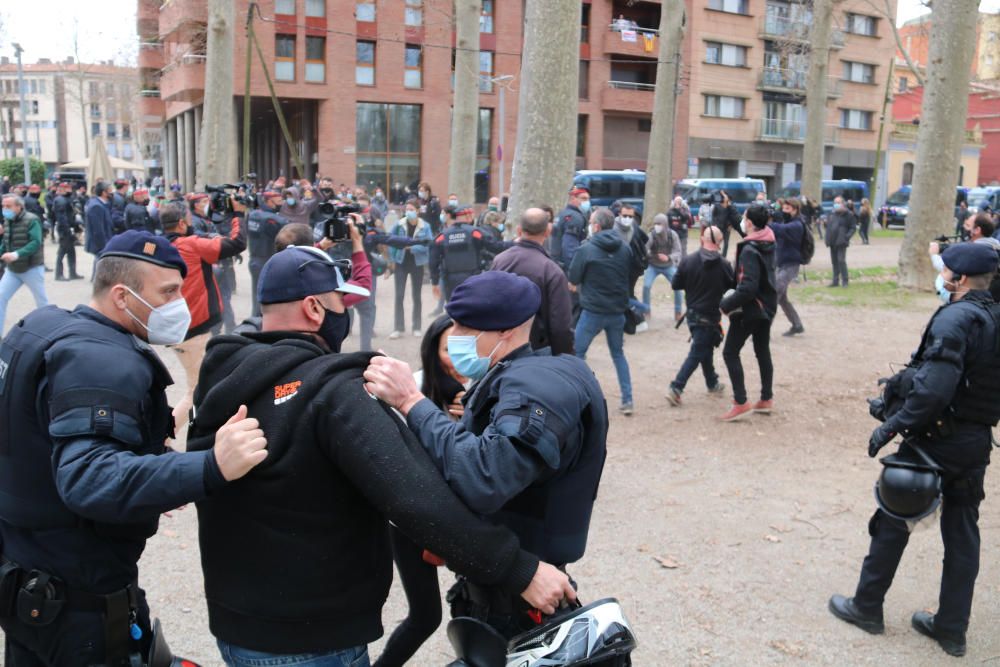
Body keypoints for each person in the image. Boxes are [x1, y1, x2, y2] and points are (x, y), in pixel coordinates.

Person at [187, 249, 573, 665]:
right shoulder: (335, 392)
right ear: (314, 309)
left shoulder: (225, 371)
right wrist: (520, 569)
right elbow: (414, 495)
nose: (348, 313)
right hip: (310, 638)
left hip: (237, 624)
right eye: (342, 303)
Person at [0, 230, 266, 666]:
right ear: (122, 296)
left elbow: (41, 437)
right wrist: (211, 466)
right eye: (168, 292)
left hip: (27, 583)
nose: (179, 303)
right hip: (78, 600)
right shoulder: (101, 360)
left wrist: (156, 466)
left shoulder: (40, 327)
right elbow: (90, 478)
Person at [363, 270, 606, 639]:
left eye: (464, 328)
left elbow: (484, 477)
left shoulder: (537, 385)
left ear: (504, 332)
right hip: (497, 590)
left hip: (520, 602)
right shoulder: (516, 374)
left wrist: (411, 400)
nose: (454, 335)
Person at [829, 243, 1000, 658]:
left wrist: (890, 426)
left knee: (893, 518)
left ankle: (867, 606)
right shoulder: (993, 313)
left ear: (958, 279)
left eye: (946, 271)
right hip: (973, 440)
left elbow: (934, 390)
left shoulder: (958, 317)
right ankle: (951, 629)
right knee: (962, 533)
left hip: (937, 439)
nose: (942, 276)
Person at [376, 314, 468, 667]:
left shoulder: (486, 385)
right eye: (449, 349)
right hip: (413, 521)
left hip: (468, 519)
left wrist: (472, 420)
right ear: (432, 349)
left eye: (467, 348)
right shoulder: (409, 388)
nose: (459, 359)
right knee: (426, 616)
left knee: (479, 607)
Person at [161, 200, 247, 428]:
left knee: (202, 383)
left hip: (178, 326)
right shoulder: (189, 244)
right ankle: (164, 435)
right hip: (192, 329)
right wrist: (238, 213)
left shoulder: (161, 245)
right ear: (181, 224)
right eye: (188, 219)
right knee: (195, 390)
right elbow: (236, 243)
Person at [569, 207, 634, 415]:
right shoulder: (625, 248)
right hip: (617, 311)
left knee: (577, 353)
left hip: (592, 311)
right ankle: (628, 399)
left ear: (595, 226)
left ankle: (578, 397)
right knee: (618, 354)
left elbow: (572, 280)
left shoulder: (586, 249)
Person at [719, 204, 777, 421]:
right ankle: (766, 398)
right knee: (762, 350)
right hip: (769, 305)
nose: (742, 220)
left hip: (752, 308)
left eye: (744, 217)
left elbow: (748, 287)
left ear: (750, 222)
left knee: (730, 352)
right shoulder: (768, 240)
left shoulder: (750, 249)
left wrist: (726, 304)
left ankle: (741, 402)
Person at [491, 207, 575, 355]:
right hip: (536, 352)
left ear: (518, 231)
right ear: (548, 232)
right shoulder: (552, 271)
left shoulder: (499, 261)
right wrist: (565, 359)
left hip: (501, 348)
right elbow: (560, 326)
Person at [667, 226, 732, 406]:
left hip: (694, 316)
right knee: (698, 352)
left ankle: (712, 382)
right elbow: (732, 287)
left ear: (702, 239)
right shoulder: (725, 266)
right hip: (709, 316)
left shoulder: (688, 261)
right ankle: (676, 387)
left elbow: (675, 284)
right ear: (720, 243)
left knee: (705, 347)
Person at [0, 194, 48, 337]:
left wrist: (16, 254)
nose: (4, 209)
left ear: (19, 206)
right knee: (1, 297)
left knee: (42, 303)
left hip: (31, 268)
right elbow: (6, 242)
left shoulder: (32, 220)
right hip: (13, 270)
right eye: (3, 206)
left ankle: (49, 333)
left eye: (8, 206)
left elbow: (35, 242)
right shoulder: (8, 220)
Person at [430, 204, 496, 303]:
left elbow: (433, 261)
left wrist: (435, 282)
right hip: (473, 278)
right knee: (473, 308)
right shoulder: (475, 232)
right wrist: (515, 244)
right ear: (468, 216)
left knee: (454, 309)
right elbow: (495, 246)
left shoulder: (443, 236)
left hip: (450, 281)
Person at [389, 198, 433, 339]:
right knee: (399, 295)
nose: (409, 212)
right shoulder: (399, 224)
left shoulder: (425, 226)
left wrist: (412, 247)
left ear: (418, 211)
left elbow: (428, 244)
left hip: (417, 263)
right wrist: (392, 258)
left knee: (416, 296)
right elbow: (390, 240)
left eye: (411, 210)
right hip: (401, 262)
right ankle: (398, 328)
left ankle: (417, 327)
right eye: (407, 209)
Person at [246, 190, 289, 317]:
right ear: (270, 202)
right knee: (268, 298)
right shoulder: (273, 219)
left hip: (254, 260)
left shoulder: (253, 214)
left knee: (257, 296)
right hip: (267, 261)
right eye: (279, 200)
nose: (282, 202)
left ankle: (256, 321)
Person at [769, 197, 807, 337]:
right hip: (781, 264)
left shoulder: (797, 225)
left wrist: (769, 221)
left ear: (795, 210)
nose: (784, 211)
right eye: (783, 208)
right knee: (782, 299)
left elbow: (780, 229)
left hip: (791, 265)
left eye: (787, 209)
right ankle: (797, 325)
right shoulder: (787, 222)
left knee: (773, 295)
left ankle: (764, 331)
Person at [643, 213, 683, 322]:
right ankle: (646, 311)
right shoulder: (651, 235)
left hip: (668, 266)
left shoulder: (673, 235)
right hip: (653, 265)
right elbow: (644, 249)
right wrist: (652, 255)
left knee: (678, 287)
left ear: (665, 224)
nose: (657, 226)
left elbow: (678, 251)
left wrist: (668, 257)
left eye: (659, 224)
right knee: (646, 286)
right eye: (655, 223)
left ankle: (678, 312)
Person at [551, 187, 591, 270]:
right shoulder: (574, 218)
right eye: (583, 198)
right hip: (565, 267)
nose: (587, 202)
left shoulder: (563, 213)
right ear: (573, 198)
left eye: (588, 199)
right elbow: (570, 247)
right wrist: (573, 270)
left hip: (555, 263)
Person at [52, 182, 83, 281]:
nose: (70, 190)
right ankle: (59, 274)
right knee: (62, 251)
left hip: (68, 227)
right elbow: (62, 217)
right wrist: (68, 229)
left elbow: (71, 211)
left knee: (71, 251)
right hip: (64, 229)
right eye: (67, 188)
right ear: (62, 189)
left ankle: (72, 273)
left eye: (69, 188)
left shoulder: (66, 199)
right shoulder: (60, 200)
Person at [826, 195, 857, 287]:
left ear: (843, 204)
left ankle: (845, 280)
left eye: (838, 203)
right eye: (835, 203)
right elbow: (828, 227)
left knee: (841, 260)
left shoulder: (848, 215)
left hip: (841, 241)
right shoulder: (831, 214)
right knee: (834, 261)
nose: (836, 204)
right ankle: (835, 281)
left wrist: (846, 237)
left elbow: (853, 228)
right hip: (832, 241)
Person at [85, 183, 115, 277]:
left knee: (98, 265)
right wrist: (104, 246)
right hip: (100, 244)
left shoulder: (102, 204)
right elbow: (98, 230)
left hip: (103, 242)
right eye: (110, 190)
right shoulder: (96, 206)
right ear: (104, 192)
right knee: (100, 266)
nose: (112, 192)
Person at [712, 190, 740, 258]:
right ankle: (715, 254)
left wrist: (731, 225)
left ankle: (724, 256)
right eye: (724, 197)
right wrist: (714, 224)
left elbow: (732, 216)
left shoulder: (730, 207)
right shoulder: (717, 206)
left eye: (726, 197)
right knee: (717, 241)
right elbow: (714, 216)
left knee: (726, 243)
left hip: (727, 227)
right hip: (718, 226)